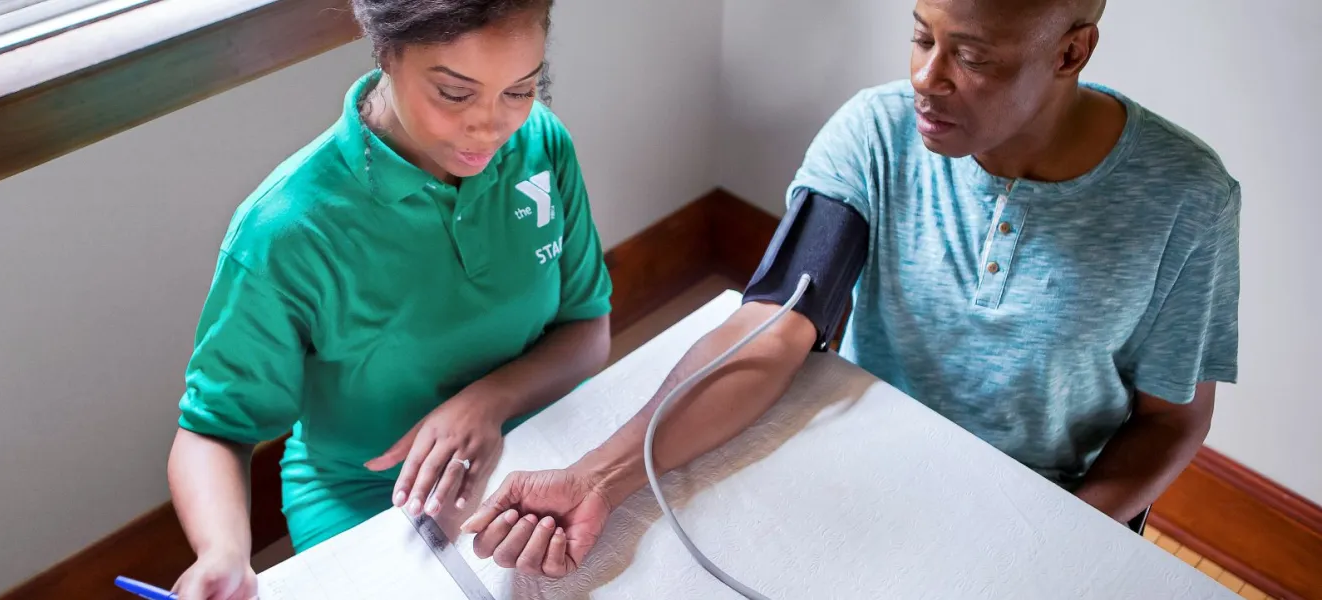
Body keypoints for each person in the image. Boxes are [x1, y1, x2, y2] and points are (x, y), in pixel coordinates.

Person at [462, 0, 1240, 577]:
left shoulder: (1185, 196)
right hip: (868, 478)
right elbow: (770, 327)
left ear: (1072, 51)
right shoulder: (878, 135)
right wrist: (595, 475)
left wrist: (1048, 546)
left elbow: (1171, 422)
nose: (925, 80)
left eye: (971, 57)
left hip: (1048, 512)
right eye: (921, 35)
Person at [165, 0, 613, 597]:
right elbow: (214, 429)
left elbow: (588, 329)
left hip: (545, 438)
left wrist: (487, 403)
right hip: (370, 491)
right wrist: (223, 551)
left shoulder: (539, 145)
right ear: (386, 51)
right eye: (455, 94)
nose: (492, 127)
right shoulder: (286, 230)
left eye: (521, 89)